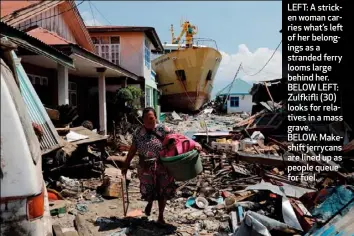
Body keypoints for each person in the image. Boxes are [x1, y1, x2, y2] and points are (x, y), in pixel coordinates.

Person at [122, 107, 201, 224]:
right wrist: (126, 164)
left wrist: (195, 144)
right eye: (146, 119)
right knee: (148, 190)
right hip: (145, 167)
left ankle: (160, 216)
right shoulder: (138, 133)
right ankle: (149, 202)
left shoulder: (163, 129)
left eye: (152, 118)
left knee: (163, 191)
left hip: (163, 166)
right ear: (142, 119)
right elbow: (133, 150)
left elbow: (179, 139)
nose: (149, 121)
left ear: (156, 118)